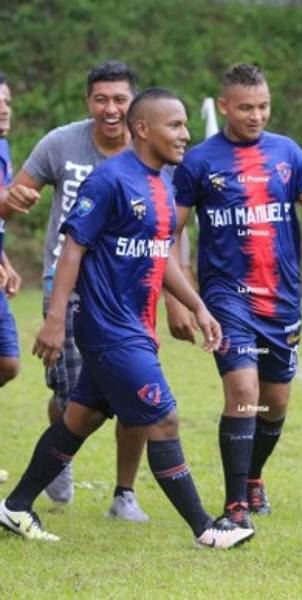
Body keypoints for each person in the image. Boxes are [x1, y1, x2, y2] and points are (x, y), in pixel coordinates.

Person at [0, 88, 254, 549]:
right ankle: (206, 528)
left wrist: (197, 305)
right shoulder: (109, 180)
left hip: (136, 325)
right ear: (143, 129)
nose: (185, 134)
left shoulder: (163, 183)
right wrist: (55, 319)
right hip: (108, 330)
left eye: (184, 124)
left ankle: (15, 506)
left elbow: (161, 255)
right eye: (174, 125)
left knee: (80, 419)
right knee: (164, 419)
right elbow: (72, 249)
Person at [171, 63, 302, 528]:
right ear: (224, 106)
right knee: (243, 391)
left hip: (281, 298)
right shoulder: (199, 162)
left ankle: (253, 477)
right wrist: (178, 297)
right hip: (227, 298)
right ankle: (235, 507)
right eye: (246, 107)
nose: (256, 115)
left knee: (275, 402)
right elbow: (171, 232)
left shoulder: (287, 153)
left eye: (263, 106)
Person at [0, 61, 151, 519]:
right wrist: (12, 201)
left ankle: (124, 494)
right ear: (88, 102)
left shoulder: (150, 148)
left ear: (134, 105)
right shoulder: (61, 143)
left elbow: (171, 222)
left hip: (131, 292)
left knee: (139, 390)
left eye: (120, 99)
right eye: (101, 99)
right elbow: (11, 201)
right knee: (74, 400)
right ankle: (58, 458)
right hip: (66, 286)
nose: (111, 109)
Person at [0, 72, 22, 485]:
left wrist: (5, 260)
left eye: (5, 102)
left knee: (8, 363)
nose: (3, 110)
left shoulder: (3, 147)